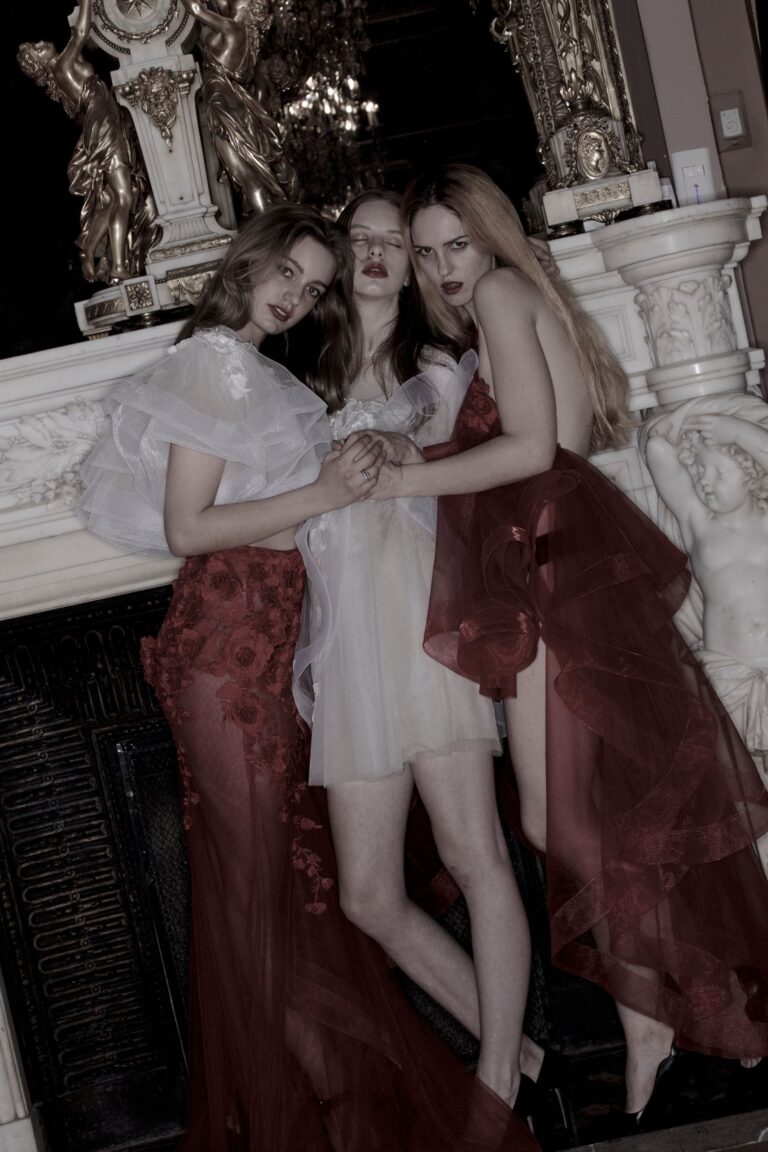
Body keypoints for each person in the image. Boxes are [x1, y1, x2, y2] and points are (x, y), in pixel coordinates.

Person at [77, 202, 538, 1152]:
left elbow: (457, 458)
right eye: (290, 269)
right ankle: (325, 1111)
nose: (299, 292)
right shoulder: (225, 363)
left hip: (300, 638)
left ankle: (504, 1070)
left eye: (314, 282)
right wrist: (329, 489)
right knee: (263, 894)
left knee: (289, 890)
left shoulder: (294, 371)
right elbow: (190, 528)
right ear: (247, 262)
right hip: (236, 642)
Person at [350, 164, 768, 1123]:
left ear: (491, 237)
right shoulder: (509, 299)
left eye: (457, 244)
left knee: (556, 818)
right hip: (556, 556)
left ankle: (663, 1014)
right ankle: (684, 1006)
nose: (443, 268)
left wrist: (402, 478)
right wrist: (425, 454)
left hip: (553, 566)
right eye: (426, 252)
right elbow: (530, 446)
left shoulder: (500, 292)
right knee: (589, 809)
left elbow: (533, 450)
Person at [292, 189, 547, 1114]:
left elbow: (469, 470)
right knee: (367, 895)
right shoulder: (301, 373)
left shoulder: (439, 362)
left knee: (474, 854)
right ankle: (522, 1059)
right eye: (357, 239)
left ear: (413, 265)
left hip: (424, 628)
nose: (372, 255)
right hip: (347, 646)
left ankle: (495, 1089)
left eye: (392, 243)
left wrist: (401, 458)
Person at [17, 0, 157, 282]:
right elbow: (80, 33)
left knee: (117, 197)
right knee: (124, 196)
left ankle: (91, 249)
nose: (43, 43)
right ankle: (117, 265)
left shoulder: (62, 71)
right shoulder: (61, 65)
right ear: (40, 63)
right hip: (104, 126)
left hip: (105, 124)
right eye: (38, 48)